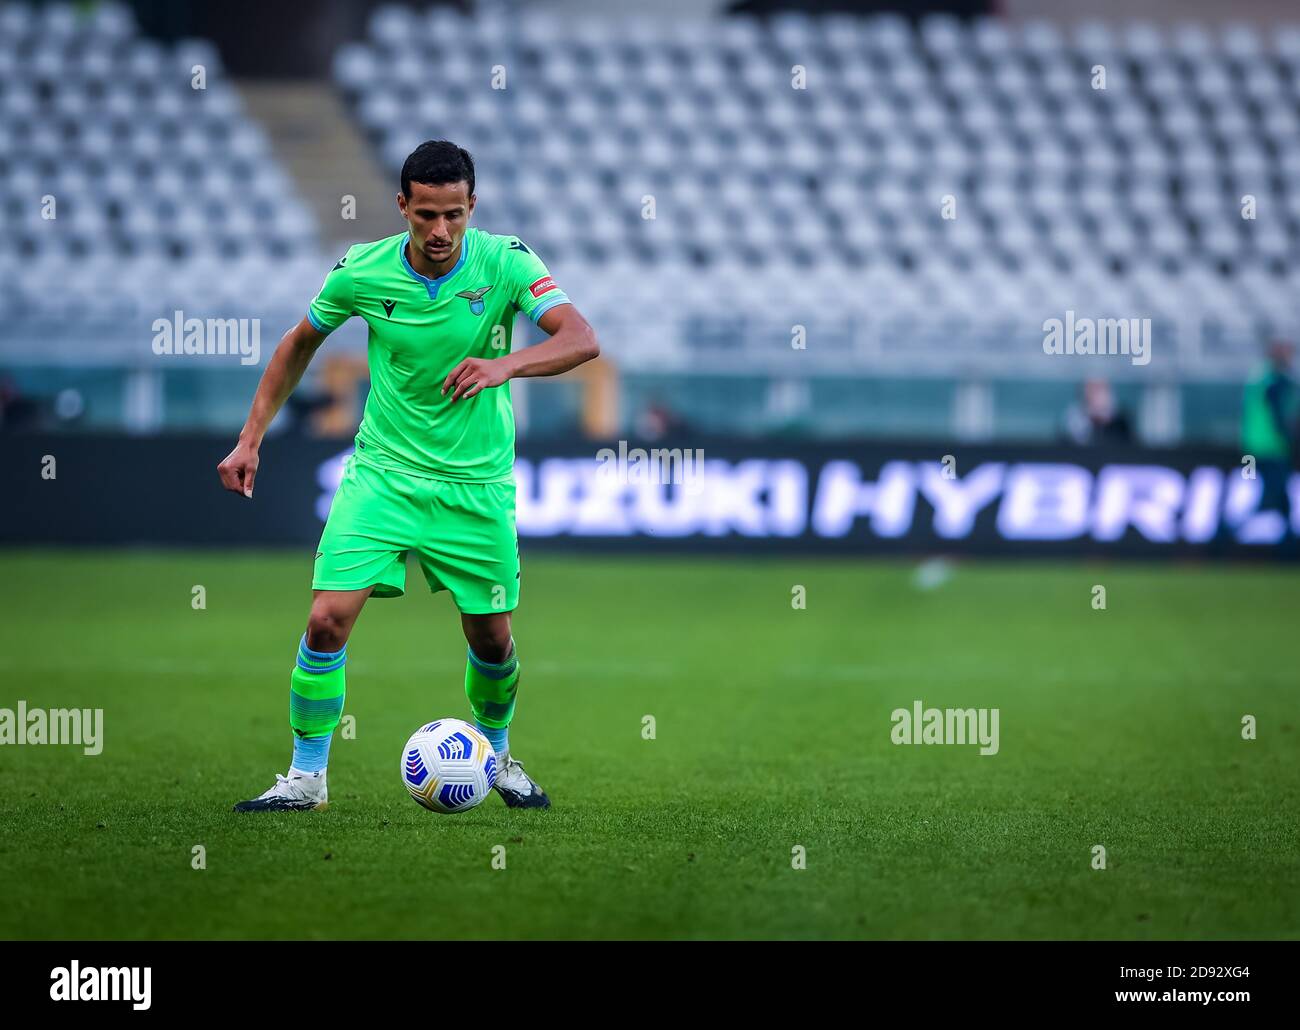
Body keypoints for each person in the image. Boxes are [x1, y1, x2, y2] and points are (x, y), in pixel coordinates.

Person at [217, 141, 599, 811]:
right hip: (382, 475)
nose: (441, 230)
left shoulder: (506, 261)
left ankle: (499, 755)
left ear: (472, 206)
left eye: (454, 214)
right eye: (426, 214)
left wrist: (503, 366)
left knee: (491, 637)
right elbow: (297, 343)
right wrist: (251, 439)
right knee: (327, 621)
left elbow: (580, 337)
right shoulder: (362, 271)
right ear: (403, 207)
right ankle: (306, 779)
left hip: (476, 486)